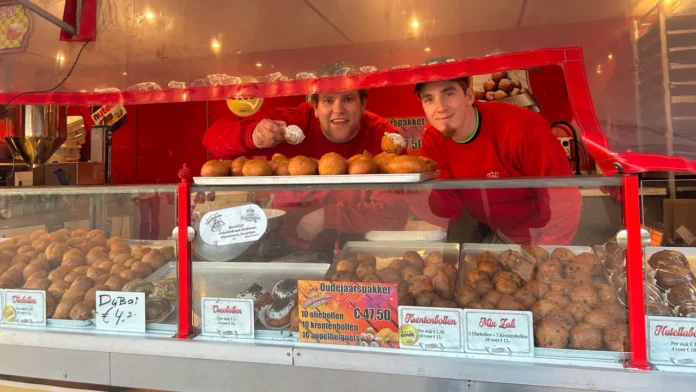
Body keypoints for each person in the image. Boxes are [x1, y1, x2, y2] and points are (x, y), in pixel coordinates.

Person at [202, 66, 408, 252]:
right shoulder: (292, 124)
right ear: (315, 107)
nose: (338, 110)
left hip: (357, 250)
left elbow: (395, 215)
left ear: (363, 104)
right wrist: (253, 134)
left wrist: (327, 217)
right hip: (285, 247)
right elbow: (212, 140)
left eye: (348, 99)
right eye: (328, 100)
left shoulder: (383, 138)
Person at [414, 77, 582, 245]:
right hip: (494, 234)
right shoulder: (433, 138)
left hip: (540, 236)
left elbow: (563, 201)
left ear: (469, 96)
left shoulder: (522, 127)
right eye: (429, 99)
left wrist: (546, 256)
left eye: (448, 94)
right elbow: (448, 210)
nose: (440, 108)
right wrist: (414, 194)